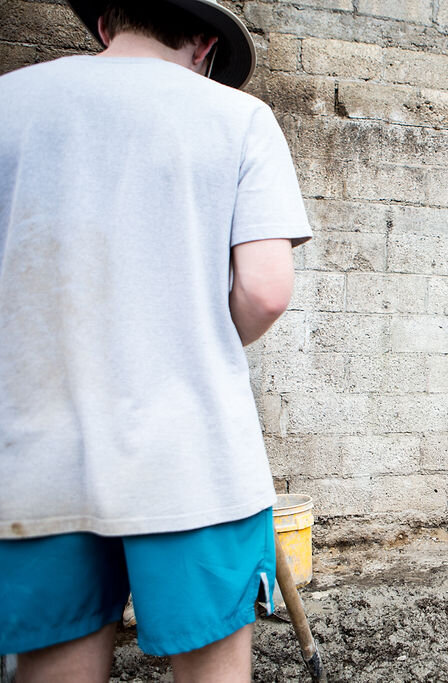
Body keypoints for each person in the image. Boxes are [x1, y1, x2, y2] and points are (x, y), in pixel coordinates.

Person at [0, 1, 311, 679]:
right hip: (191, 460)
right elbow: (265, 290)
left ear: (107, 25)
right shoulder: (237, 119)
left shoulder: (8, 103)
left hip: (35, 465)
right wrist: (190, 336)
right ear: (205, 43)